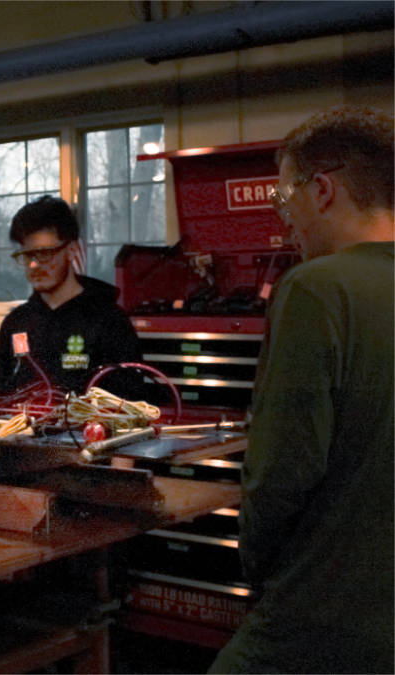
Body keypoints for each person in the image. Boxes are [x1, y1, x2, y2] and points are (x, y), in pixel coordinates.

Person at [210, 105, 394, 673]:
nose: (285, 218)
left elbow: (281, 470)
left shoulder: (317, 289)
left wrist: (259, 567)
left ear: (321, 189)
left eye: (284, 198)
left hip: (323, 615)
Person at [0, 195, 142, 397]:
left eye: (44, 253)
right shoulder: (16, 323)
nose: (34, 265)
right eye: (27, 255)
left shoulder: (110, 321)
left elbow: (131, 406)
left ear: (71, 250)